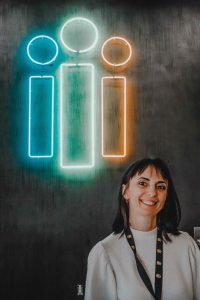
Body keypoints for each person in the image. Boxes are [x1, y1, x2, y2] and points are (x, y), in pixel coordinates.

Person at [84, 158, 200, 300]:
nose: (152, 192)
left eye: (161, 186)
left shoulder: (186, 245)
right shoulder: (104, 252)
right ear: (125, 191)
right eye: (143, 183)